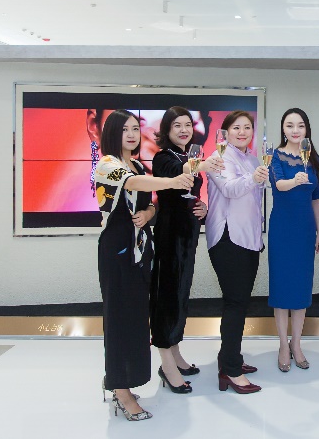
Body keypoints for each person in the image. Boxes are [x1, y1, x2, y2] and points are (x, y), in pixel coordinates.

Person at [95, 110, 194, 421]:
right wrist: (173, 181)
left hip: (141, 250)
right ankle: (120, 391)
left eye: (135, 129)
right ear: (112, 133)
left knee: (137, 319)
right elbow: (133, 183)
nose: (131, 135)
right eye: (124, 129)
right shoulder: (107, 164)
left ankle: (125, 382)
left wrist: (150, 214)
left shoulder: (137, 163)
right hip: (118, 251)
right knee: (119, 319)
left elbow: (150, 202)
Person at [150, 106, 223, 393]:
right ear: (167, 130)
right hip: (169, 236)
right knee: (166, 297)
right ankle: (166, 364)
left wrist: (202, 206)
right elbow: (176, 174)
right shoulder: (164, 157)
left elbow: (190, 193)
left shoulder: (187, 155)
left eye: (187, 125)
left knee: (180, 295)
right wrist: (201, 165)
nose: (184, 130)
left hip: (187, 236)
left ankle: (176, 352)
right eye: (177, 125)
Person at [206, 110, 269, 394]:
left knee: (240, 303)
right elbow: (230, 190)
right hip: (228, 238)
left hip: (249, 238)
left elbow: (255, 197)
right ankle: (231, 371)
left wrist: (259, 178)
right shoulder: (218, 156)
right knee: (235, 303)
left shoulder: (252, 159)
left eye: (247, 128)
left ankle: (230, 358)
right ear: (226, 132)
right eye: (236, 128)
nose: (242, 132)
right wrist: (254, 178)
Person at [268, 108, 319, 372]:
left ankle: (297, 343)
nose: (295, 130)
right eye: (290, 125)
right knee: (281, 288)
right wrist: (294, 180)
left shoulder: (312, 158)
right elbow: (278, 185)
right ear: (283, 129)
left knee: (301, 288)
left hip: (304, 230)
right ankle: (282, 344)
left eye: (300, 125)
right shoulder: (275, 155)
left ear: (306, 129)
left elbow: (316, 199)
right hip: (282, 229)